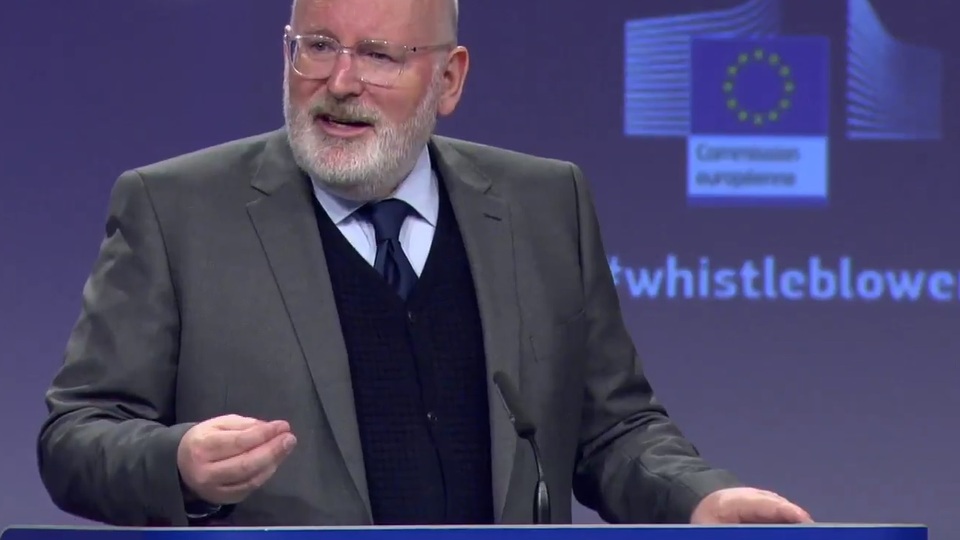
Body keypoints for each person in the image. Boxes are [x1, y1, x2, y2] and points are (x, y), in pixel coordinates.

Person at [37, 0, 813, 528]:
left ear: (449, 78)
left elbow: (612, 428)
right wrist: (176, 464)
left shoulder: (545, 204)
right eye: (317, 46)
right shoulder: (176, 210)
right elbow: (76, 435)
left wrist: (697, 500)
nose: (340, 83)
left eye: (379, 55)